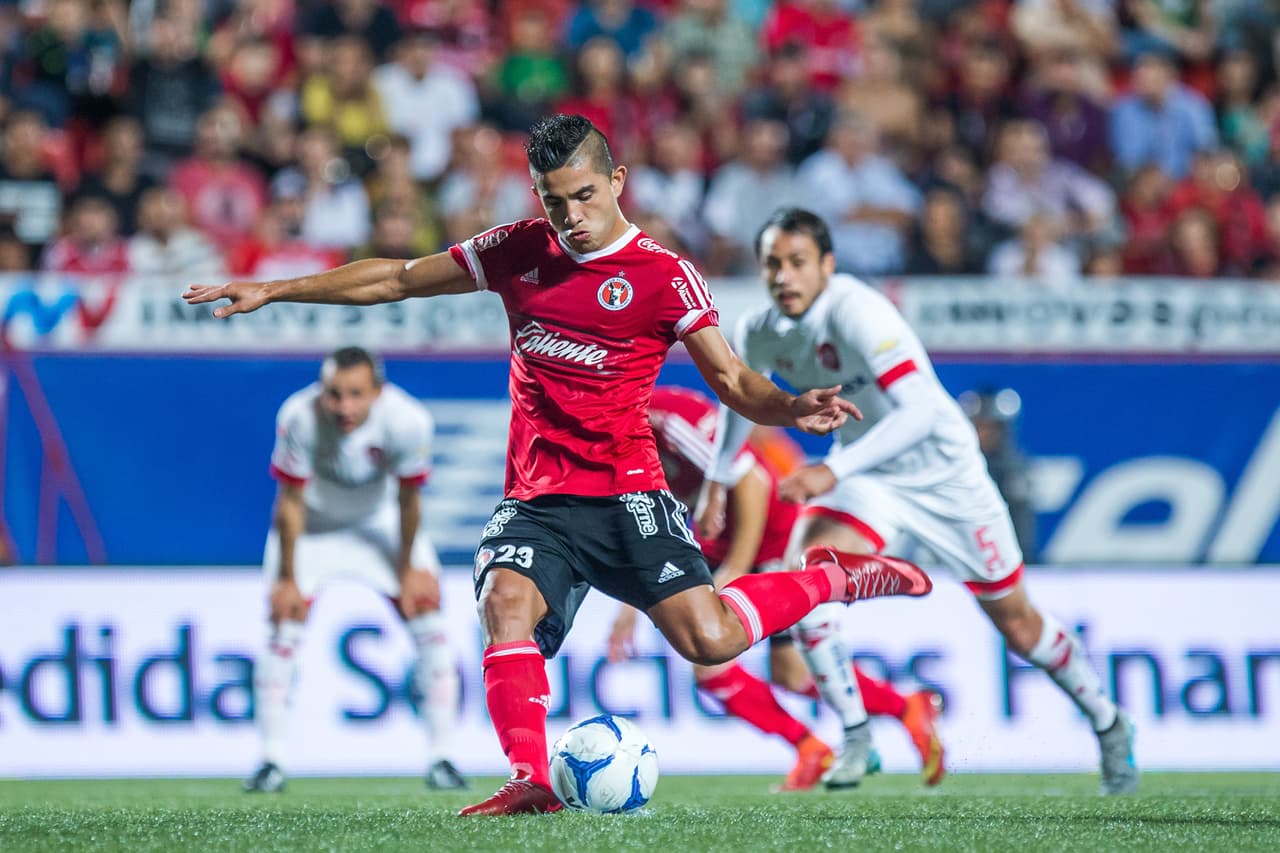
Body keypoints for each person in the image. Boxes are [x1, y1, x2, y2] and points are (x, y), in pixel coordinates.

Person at [184, 114, 932, 816]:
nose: (570, 215)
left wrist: (795, 406)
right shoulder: (519, 249)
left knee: (712, 642)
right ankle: (530, 778)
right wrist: (276, 290)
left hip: (631, 493)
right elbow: (400, 279)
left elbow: (733, 381)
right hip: (539, 499)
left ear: (617, 181)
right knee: (501, 604)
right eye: (552, 200)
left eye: (581, 195)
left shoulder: (665, 276)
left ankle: (834, 576)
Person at [700, 207, 1139, 796]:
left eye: (798, 262)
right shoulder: (758, 330)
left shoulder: (857, 311)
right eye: (772, 264)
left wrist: (832, 468)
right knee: (805, 575)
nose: (784, 276)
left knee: (1021, 627)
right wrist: (718, 481)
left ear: (827, 265)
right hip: (870, 479)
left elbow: (925, 412)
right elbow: (740, 402)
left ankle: (1110, 723)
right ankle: (857, 737)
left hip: (945, 477)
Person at [607, 386, 946, 791]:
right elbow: (639, 525)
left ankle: (881, 715)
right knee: (742, 671)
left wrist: (735, 565)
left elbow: (751, 480)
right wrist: (630, 608)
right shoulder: (605, 440)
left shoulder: (663, 418)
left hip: (771, 530)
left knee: (750, 664)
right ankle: (835, 737)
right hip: (717, 538)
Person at [242, 347, 467, 794]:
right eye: (334, 395)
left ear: (378, 393)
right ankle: (271, 759)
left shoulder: (407, 420)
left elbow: (408, 500)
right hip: (314, 527)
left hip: (378, 523)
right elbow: (289, 502)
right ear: (321, 392)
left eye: (356, 395)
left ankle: (442, 756)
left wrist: (408, 569)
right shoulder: (298, 416)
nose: (344, 407)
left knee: (428, 616)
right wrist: (287, 577)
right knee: (282, 625)